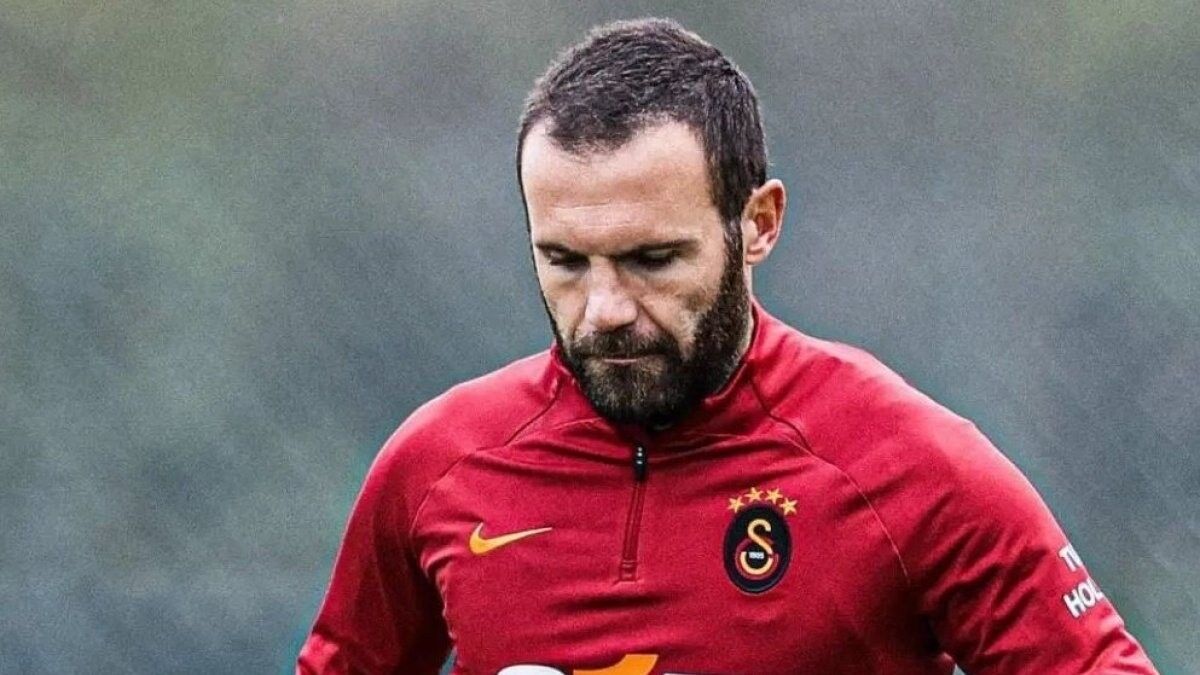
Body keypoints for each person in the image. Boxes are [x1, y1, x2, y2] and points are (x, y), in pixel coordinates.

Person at [298, 18, 1157, 675]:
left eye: (652, 259)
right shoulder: (436, 466)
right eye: (564, 260)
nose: (604, 310)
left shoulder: (906, 465)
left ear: (758, 224)